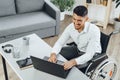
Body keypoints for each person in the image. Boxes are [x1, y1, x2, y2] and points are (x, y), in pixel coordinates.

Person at [48, 5, 101, 70]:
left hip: (92, 55)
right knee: (58, 54)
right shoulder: (71, 27)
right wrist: (53, 54)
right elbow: (60, 43)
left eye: (79, 20)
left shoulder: (94, 31)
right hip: (78, 49)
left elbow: (89, 54)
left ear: (86, 19)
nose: (75, 23)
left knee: (69, 68)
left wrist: (73, 62)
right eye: (74, 19)